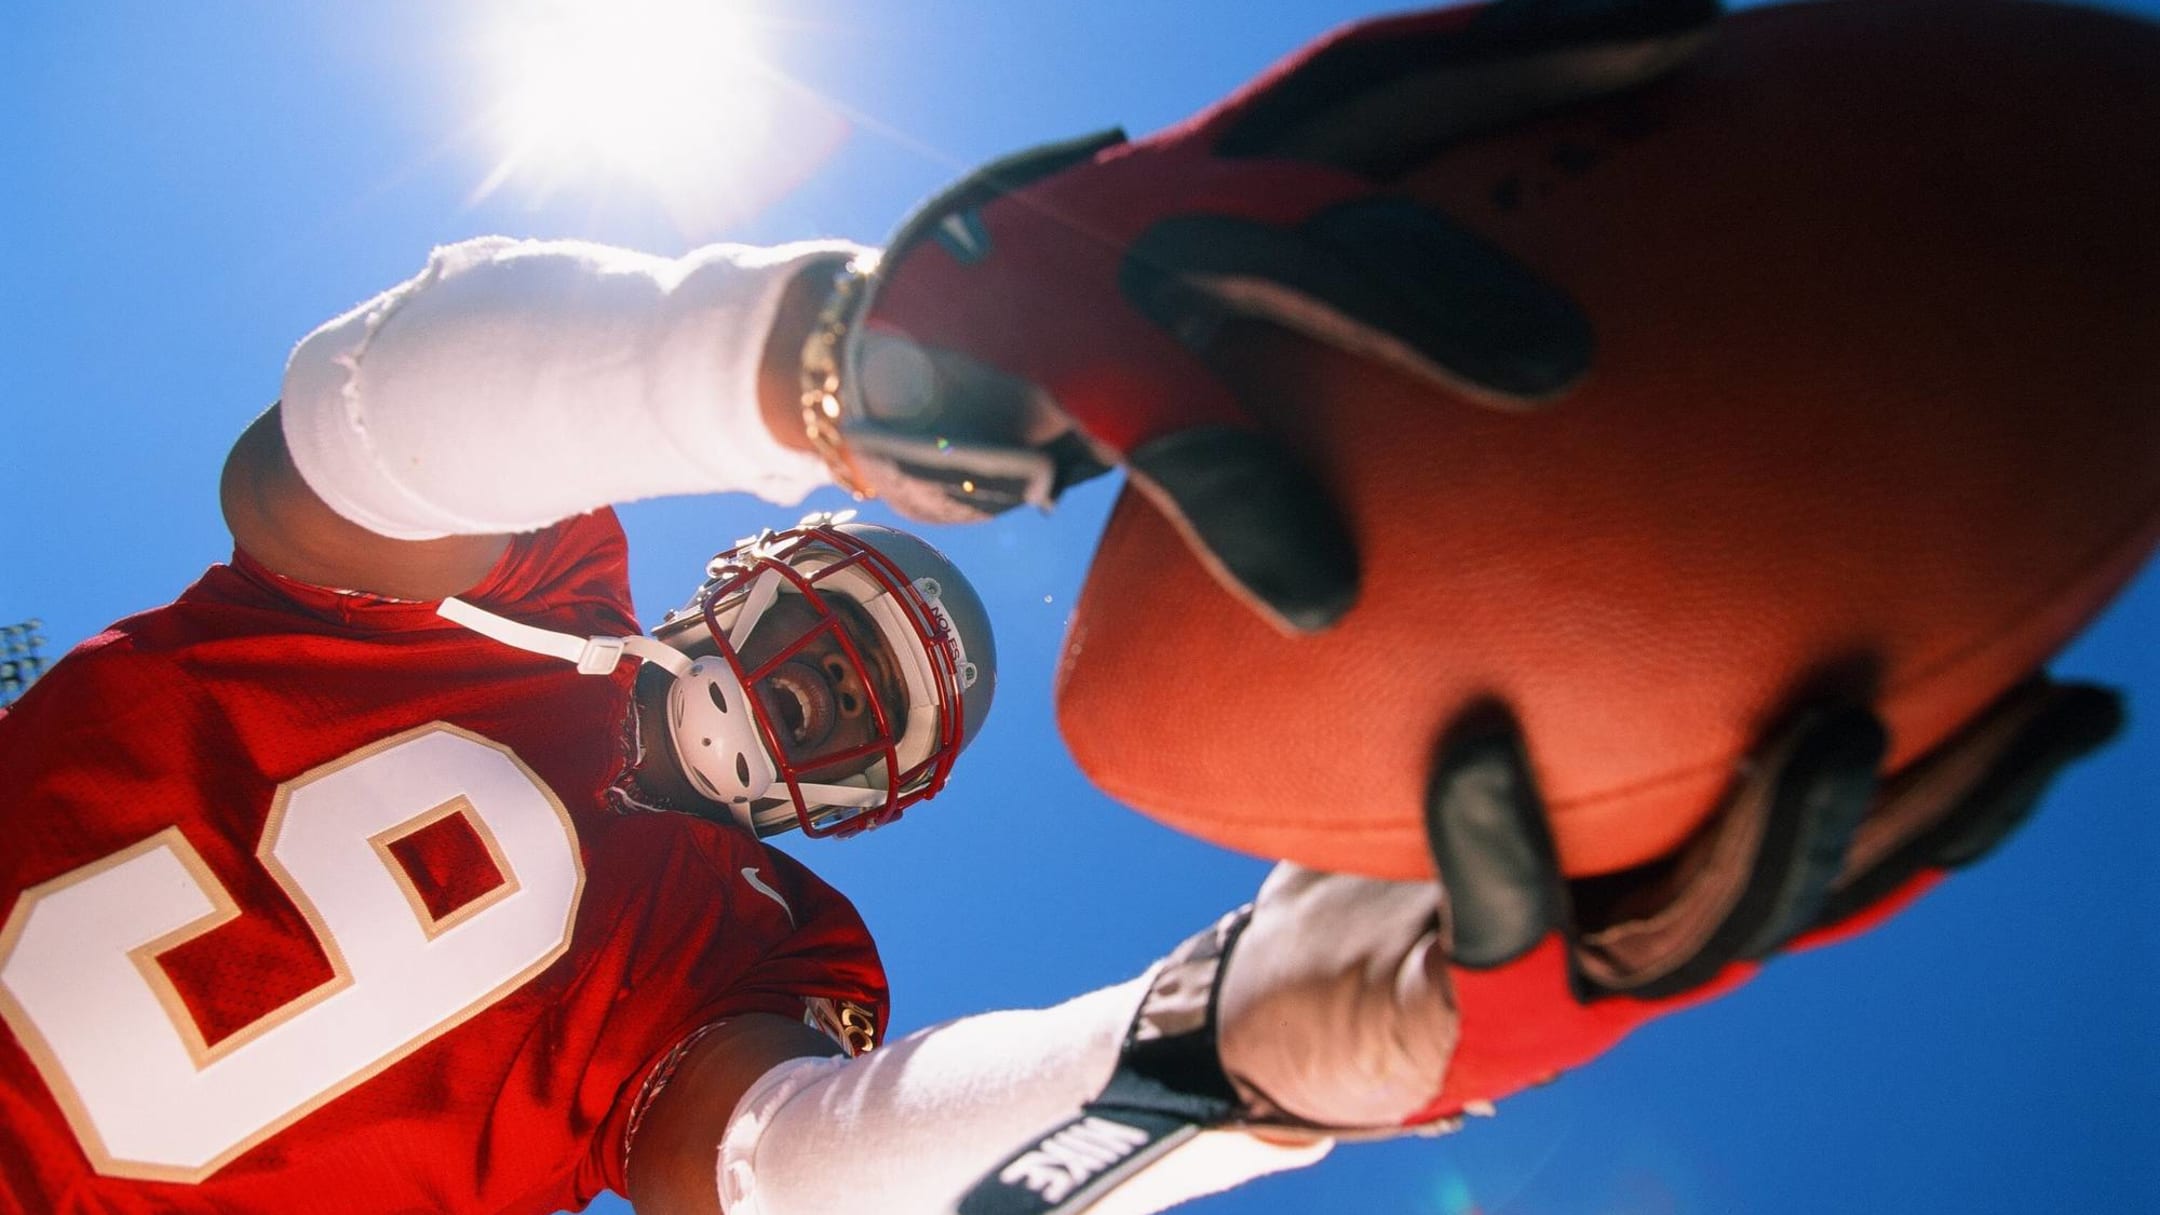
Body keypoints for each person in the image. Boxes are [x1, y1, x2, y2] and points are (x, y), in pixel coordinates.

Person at [0, 235, 1456, 1215]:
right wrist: (792, 362)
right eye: (830, 638)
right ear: (741, 577)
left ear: (867, 797)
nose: (822, 691)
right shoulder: (534, 577)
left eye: (865, 709)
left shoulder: (751, 940)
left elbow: (765, 1170)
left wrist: (1193, 1067)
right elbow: (333, 448)